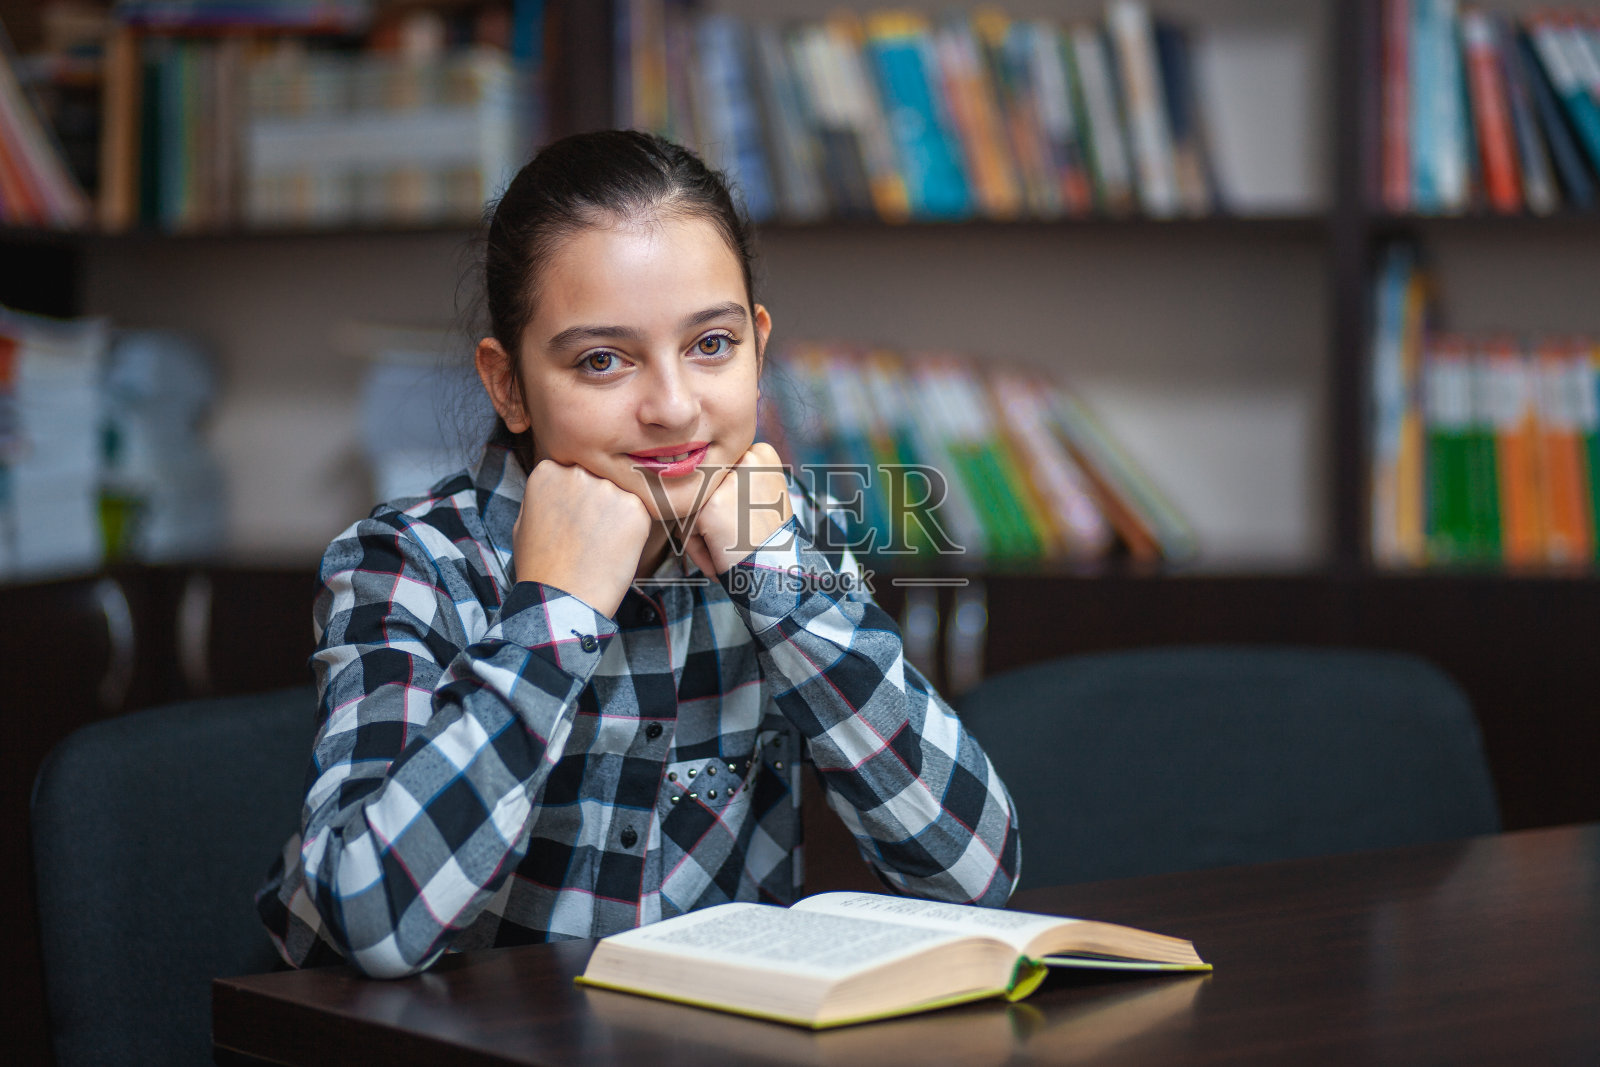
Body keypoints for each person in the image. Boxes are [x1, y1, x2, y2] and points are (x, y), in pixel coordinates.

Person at [257, 130, 1020, 978]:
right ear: (508, 383)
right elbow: (367, 921)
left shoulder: (778, 532)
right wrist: (555, 612)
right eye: (603, 360)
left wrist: (782, 584)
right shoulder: (409, 562)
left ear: (758, 348)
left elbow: (975, 874)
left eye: (711, 345)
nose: (673, 406)